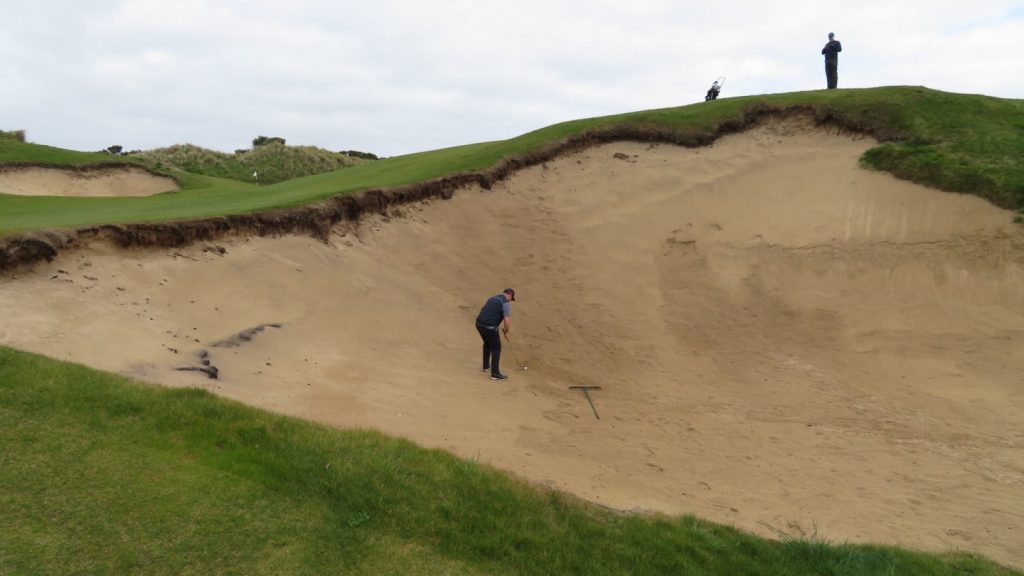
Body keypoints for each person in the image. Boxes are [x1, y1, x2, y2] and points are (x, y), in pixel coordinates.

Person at [475, 288, 515, 380]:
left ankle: (485, 366)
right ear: (510, 295)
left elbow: (483, 309)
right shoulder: (505, 303)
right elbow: (506, 320)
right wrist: (507, 332)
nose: (510, 301)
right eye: (511, 299)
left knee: (487, 343)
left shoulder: (492, 298)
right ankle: (495, 373)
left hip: (478, 324)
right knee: (496, 348)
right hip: (489, 327)